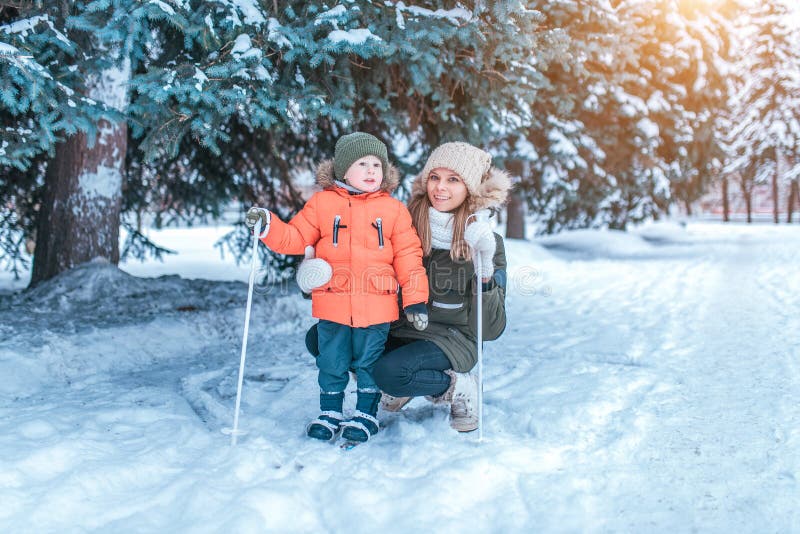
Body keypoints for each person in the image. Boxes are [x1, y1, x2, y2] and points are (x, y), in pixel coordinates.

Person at [302, 142, 510, 432]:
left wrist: (484, 269)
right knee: (321, 339)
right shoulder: (405, 223)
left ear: (471, 188)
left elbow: (490, 329)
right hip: (402, 327)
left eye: (453, 180)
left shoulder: (486, 241)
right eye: (435, 177)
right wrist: (315, 277)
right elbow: (361, 266)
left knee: (389, 372)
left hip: (451, 337)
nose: (440, 188)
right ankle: (400, 385)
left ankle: (459, 387)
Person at [245, 132, 429, 443]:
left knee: (369, 361)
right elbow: (294, 238)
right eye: (362, 164)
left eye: (377, 165)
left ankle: (365, 414)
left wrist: (415, 300)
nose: (372, 171)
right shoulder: (323, 203)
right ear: (344, 170)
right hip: (333, 303)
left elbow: (408, 256)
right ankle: (330, 411)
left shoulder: (394, 210)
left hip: (377, 305)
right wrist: (268, 226)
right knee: (331, 360)